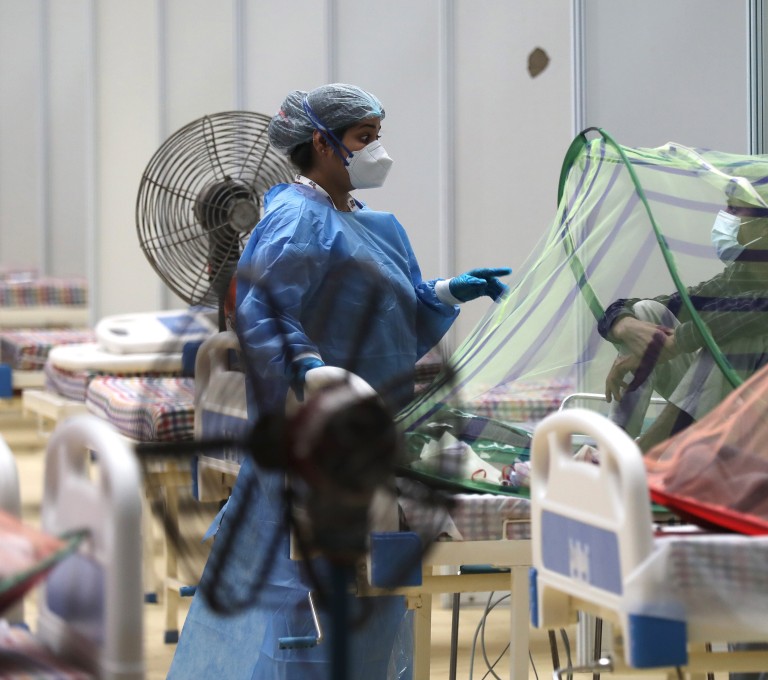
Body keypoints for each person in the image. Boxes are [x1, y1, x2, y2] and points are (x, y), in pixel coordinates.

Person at [168, 83, 511, 680]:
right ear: (323, 145)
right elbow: (264, 308)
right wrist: (308, 366)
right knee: (291, 604)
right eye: (364, 139)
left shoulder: (372, 222)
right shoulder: (294, 220)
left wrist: (448, 291)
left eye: (378, 136)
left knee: (375, 597)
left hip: (374, 435)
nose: (378, 151)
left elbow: (395, 306)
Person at [598, 191, 768, 453]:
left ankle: (647, 454)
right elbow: (665, 305)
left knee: (737, 332)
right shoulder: (739, 277)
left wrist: (678, 341)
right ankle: (614, 447)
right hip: (727, 410)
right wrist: (623, 324)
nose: (724, 218)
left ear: (767, 225)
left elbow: (758, 310)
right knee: (646, 312)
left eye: (734, 210)